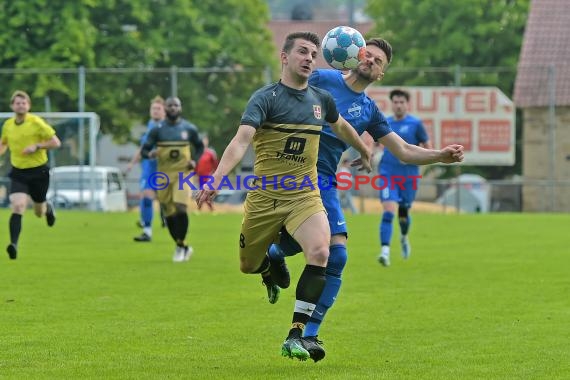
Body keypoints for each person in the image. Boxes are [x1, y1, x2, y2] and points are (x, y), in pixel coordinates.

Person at [265, 38, 464, 361]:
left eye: (379, 60)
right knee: (327, 249)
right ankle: (281, 268)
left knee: (334, 255)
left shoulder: (369, 110)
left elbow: (403, 150)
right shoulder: (323, 78)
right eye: (367, 54)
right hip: (293, 173)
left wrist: (440, 156)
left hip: (325, 181)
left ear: (381, 73)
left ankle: (306, 325)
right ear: (355, 54)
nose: (371, 60)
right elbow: (288, 88)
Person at [195, 31, 372, 362]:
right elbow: (240, 140)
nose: (308, 58)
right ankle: (265, 268)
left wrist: (364, 149)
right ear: (285, 57)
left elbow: (343, 126)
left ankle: (296, 335)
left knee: (322, 252)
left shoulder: (321, 100)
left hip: (304, 195)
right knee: (247, 266)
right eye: (302, 52)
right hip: (265, 199)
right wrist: (215, 180)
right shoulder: (265, 98)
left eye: (313, 54)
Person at [141, 96, 204, 262]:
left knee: (181, 208)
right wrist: (150, 154)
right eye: (170, 105)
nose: (174, 108)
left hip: (183, 174)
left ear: (180, 108)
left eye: (176, 105)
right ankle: (182, 245)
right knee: (169, 214)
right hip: (163, 175)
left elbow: (200, 146)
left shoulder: (188, 128)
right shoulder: (157, 129)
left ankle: (181, 245)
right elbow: (144, 150)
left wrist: (194, 161)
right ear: (165, 109)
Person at [0, 90, 61, 259]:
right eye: (17, 103)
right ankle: (13, 245)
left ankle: (47, 208)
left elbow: (56, 142)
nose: (20, 105)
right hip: (18, 171)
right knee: (18, 205)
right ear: (12, 106)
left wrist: (37, 146)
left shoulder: (36, 123)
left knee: (38, 211)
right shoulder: (8, 125)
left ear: (28, 105)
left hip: (38, 171)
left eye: (23, 102)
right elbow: (3, 144)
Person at [378, 89, 432, 267]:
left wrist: (423, 163)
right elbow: (376, 143)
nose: (398, 105)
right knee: (388, 210)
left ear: (407, 104)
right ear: (391, 104)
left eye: (402, 102)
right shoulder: (385, 122)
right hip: (388, 171)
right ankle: (385, 251)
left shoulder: (415, 123)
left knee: (403, 212)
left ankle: (403, 237)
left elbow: (427, 145)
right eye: (396, 102)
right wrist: (368, 155)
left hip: (409, 175)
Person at [125, 96, 166, 242]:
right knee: (146, 197)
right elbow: (143, 147)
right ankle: (147, 231)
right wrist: (132, 163)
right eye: (153, 108)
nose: (155, 111)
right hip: (149, 168)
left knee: (166, 199)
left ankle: (165, 216)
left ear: (164, 111)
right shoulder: (150, 125)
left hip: (164, 168)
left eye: (158, 109)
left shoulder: (168, 127)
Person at [194, 134, 218, 212]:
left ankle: (206, 209)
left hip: (208, 176)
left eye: (205, 140)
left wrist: (215, 176)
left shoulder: (211, 153)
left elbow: (215, 165)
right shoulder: (198, 153)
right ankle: (202, 209)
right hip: (200, 176)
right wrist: (195, 174)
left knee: (206, 192)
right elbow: (196, 165)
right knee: (201, 192)